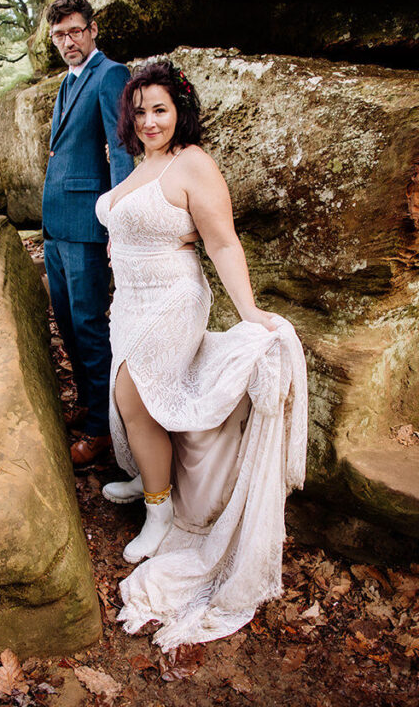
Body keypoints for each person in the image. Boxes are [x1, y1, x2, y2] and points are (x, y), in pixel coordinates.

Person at [94, 60, 307, 649]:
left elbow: (221, 241)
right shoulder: (142, 165)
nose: (148, 120)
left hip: (173, 298)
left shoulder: (194, 163)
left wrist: (249, 313)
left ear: (179, 109)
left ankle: (161, 514)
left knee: (133, 397)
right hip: (131, 303)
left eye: (159, 109)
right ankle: (149, 478)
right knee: (133, 399)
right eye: (139, 111)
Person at [41, 0, 136, 465]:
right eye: (59, 34)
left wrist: (118, 223)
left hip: (86, 226)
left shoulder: (110, 74)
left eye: (75, 30)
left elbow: (121, 153)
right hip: (55, 227)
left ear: (92, 29)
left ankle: (102, 430)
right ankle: (88, 402)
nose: (68, 40)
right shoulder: (65, 83)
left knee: (89, 325)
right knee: (67, 323)